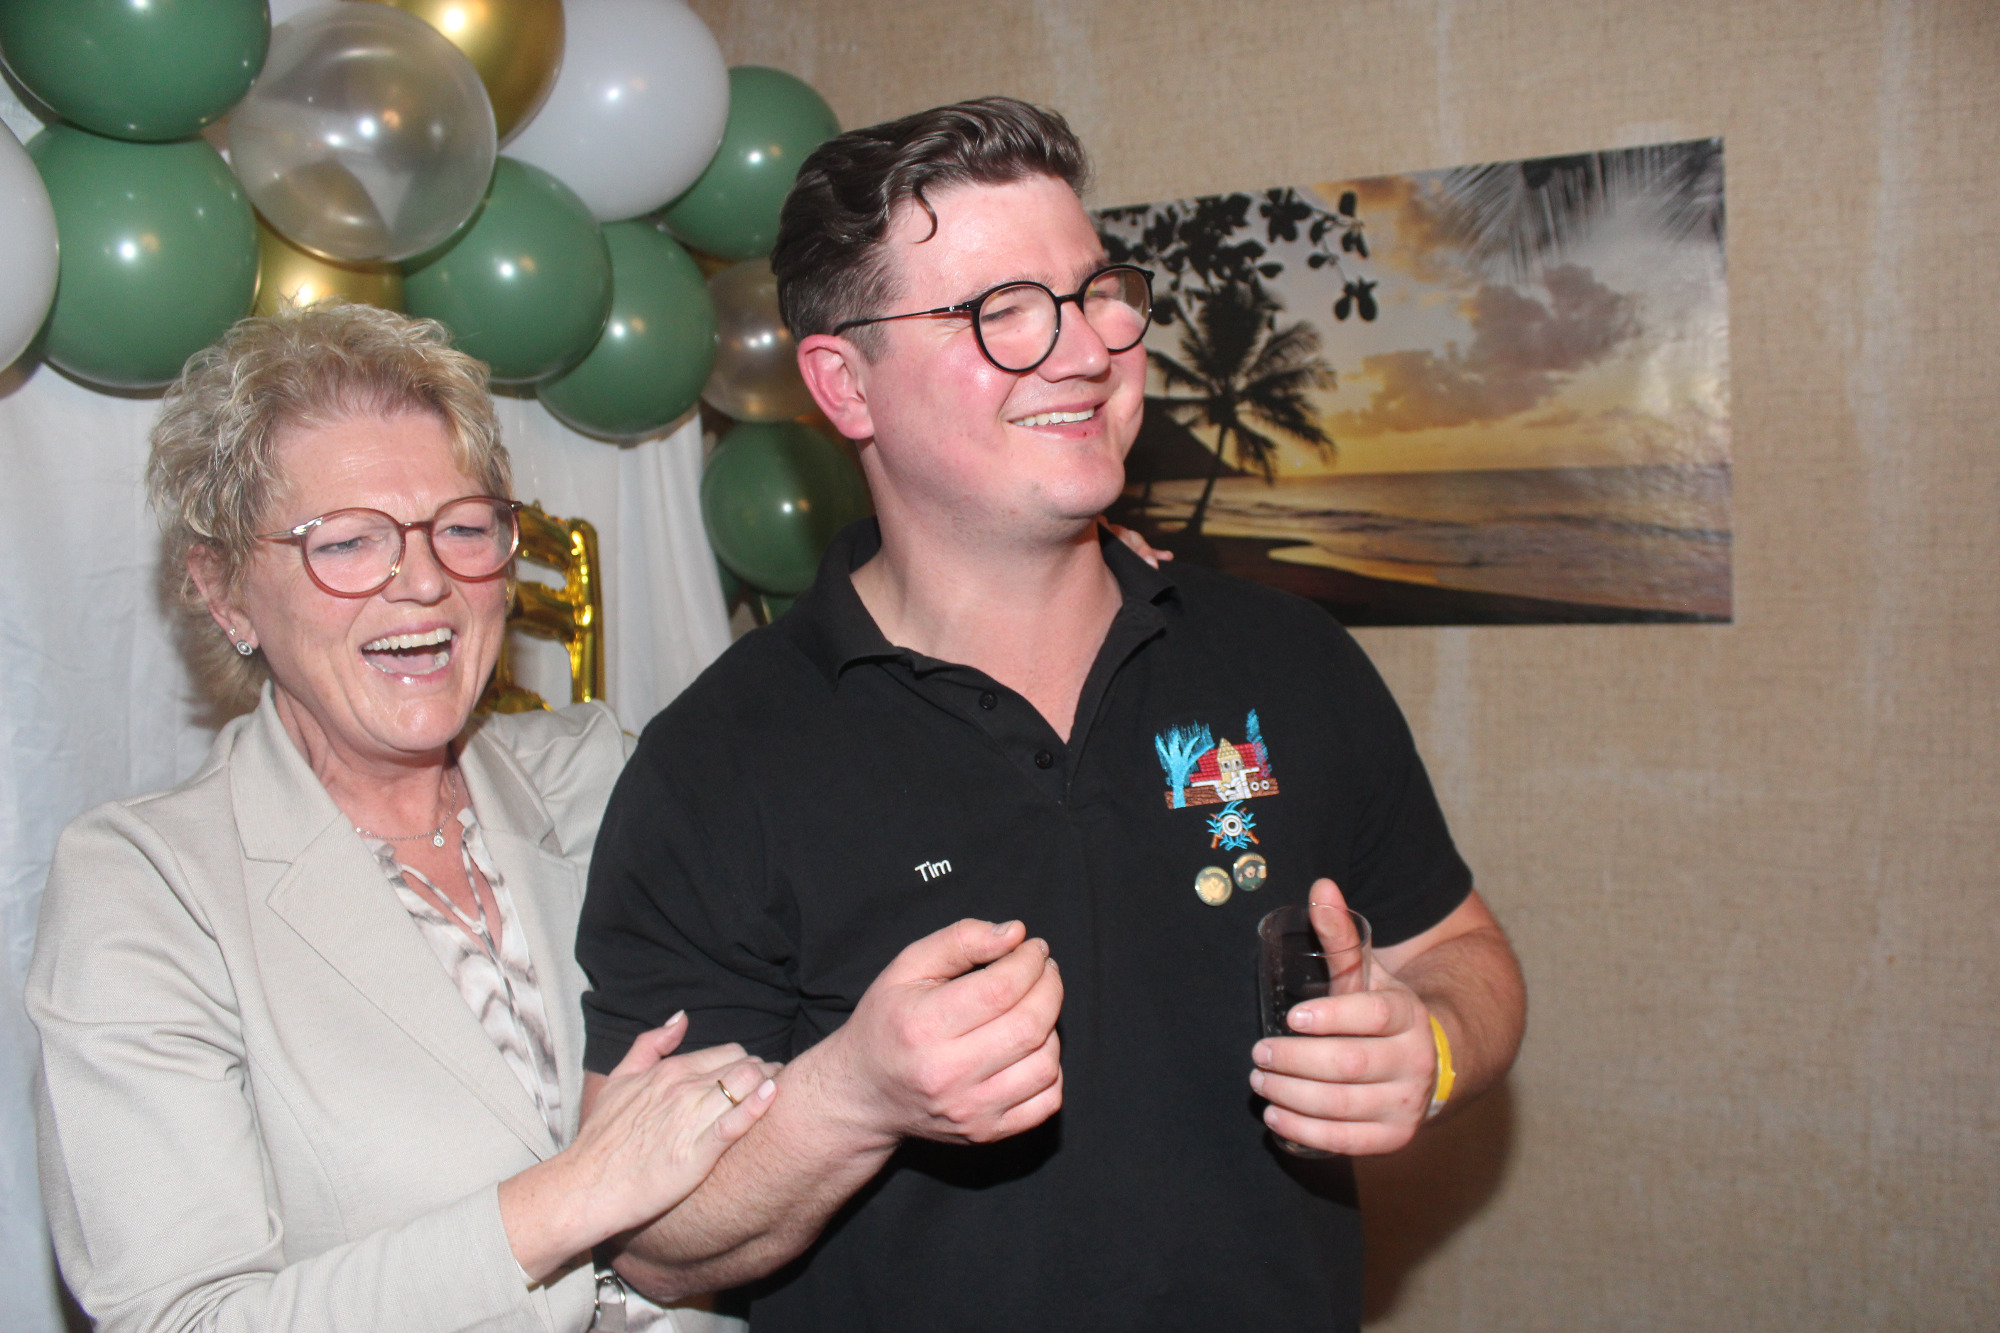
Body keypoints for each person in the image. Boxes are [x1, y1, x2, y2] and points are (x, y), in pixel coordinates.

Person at [575, 98, 1527, 1331]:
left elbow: (1462, 952)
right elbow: (648, 1244)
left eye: (1093, 294)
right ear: (844, 385)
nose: (1084, 350)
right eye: (1000, 310)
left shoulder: (1288, 659)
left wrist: (1428, 1047)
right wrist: (852, 1097)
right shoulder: (716, 760)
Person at [25, 303, 774, 1333]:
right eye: (345, 541)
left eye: (462, 528)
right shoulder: (150, 887)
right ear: (225, 591)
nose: (423, 581)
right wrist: (578, 1193)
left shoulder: (607, 776)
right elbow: (184, 1321)